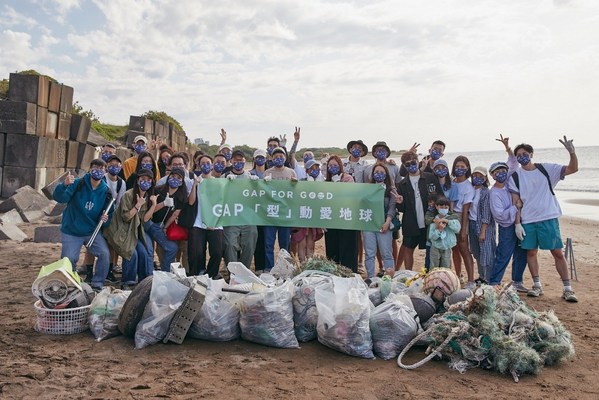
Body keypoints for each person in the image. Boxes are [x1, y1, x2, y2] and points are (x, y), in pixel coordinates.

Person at [508, 136, 579, 302]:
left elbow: (572, 169)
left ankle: (567, 289)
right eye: (518, 155)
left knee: (557, 252)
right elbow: (516, 203)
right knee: (531, 253)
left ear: (532, 154)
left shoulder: (546, 169)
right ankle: (537, 285)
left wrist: (572, 153)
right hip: (528, 220)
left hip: (548, 217)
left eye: (525, 153)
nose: (522, 156)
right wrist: (518, 224)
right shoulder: (515, 176)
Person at [53, 159, 114, 291]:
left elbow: (109, 214)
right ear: (90, 169)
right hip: (72, 230)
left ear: (105, 171)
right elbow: (59, 198)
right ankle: (70, 284)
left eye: (101, 169)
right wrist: (64, 185)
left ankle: (97, 284)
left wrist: (105, 219)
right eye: (95, 168)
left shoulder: (106, 191)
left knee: (104, 254)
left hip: (91, 231)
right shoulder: (78, 183)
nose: (98, 171)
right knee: (69, 259)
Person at [105, 169, 156, 290]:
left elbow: (145, 219)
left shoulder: (149, 197)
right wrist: (137, 205)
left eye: (148, 180)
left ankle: (144, 282)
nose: (145, 182)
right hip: (122, 231)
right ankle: (127, 281)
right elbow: (126, 217)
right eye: (142, 179)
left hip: (135, 232)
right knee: (131, 254)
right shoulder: (129, 195)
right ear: (137, 180)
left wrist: (153, 205)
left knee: (143, 253)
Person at [81, 154, 127, 284]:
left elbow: (119, 202)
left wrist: (113, 218)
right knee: (91, 245)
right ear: (106, 167)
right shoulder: (102, 178)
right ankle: (89, 272)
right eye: (111, 165)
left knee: (111, 244)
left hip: (111, 215)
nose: (114, 168)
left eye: (117, 165)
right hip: (96, 215)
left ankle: (109, 271)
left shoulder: (121, 183)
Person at [395, 151, 442, 271]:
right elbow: (401, 209)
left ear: (418, 161)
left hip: (430, 221)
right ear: (404, 166)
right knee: (408, 248)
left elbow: (440, 198)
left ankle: (432, 273)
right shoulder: (402, 184)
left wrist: (441, 217)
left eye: (413, 162)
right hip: (411, 222)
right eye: (408, 164)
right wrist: (399, 202)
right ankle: (409, 273)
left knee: (432, 249)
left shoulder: (430, 177)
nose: (411, 166)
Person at [488, 160, 529, 292]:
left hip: (521, 222)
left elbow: (513, 163)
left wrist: (508, 149)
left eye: (503, 171)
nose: (501, 174)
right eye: (497, 172)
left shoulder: (510, 185)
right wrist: (515, 207)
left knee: (521, 252)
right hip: (507, 226)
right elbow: (499, 215)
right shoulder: (494, 193)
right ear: (492, 175)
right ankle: (494, 281)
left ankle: (517, 281)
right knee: (503, 254)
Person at [187, 155, 224, 278]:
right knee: (196, 253)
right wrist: (194, 185)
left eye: (208, 163)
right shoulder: (196, 180)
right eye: (202, 163)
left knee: (217, 252)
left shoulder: (218, 182)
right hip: (198, 223)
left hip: (215, 223)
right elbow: (191, 202)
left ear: (212, 164)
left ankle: (211, 275)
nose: (205, 165)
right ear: (198, 165)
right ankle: (197, 275)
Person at [145, 167, 188, 273]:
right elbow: (149, 212)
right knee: (170, 248)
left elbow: (175, 214)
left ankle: (166, 271)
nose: (175, 179)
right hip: (150, 222)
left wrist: (165, 227)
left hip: (162, 225)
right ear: (168, 177)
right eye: (173, 176)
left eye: (178, 178)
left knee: (171, 247)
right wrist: (163, 203)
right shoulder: (158, 190)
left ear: (182, 182)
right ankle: (166, 272)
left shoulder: (181, 196)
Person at [262, 147, 297, 272]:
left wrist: (295, 184)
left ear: (285, 158)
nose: (278, 159)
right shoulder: (266, 173)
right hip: (270, 213)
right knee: (268, 243)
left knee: (285, 244)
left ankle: (285, 268)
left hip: (284, 214)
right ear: (271, 158)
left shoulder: (291, 172)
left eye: (281, 157)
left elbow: (295, 193)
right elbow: (262, 193)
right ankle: (269, 268)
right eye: (275, 157)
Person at [222, 150, 258, 269]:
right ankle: (233, 271)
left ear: (245, 161)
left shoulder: (250, 177)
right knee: (230, 244)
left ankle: (244, 270)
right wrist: (225, 182)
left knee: (250, 243)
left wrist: (259, 184)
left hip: (248, 217)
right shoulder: (225, 176)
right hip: (231, 217)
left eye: (241, 160)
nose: (238, 162)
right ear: (231, 161)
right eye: (236, 160)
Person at [323, 155, 359, 272]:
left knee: (348, 248)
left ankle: (349, 273)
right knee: (333, 249)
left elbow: (349, 195)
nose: (333, 167)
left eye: (335, 165)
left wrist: (338, 183)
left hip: (346, 218)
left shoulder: (348, 178)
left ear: (340, 166)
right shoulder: (325, 181)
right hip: (332, 220)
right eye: (330, 166)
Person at [363, 164, 396, 279]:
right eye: (376, 172)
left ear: (386, 174)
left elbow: (392, 207)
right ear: (372, 174)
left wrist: (387, 222)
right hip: (369, 225)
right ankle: (371, 278)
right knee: (369, 254)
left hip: (384, 225)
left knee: (386, 253)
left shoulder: (391, 189)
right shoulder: (367, 188)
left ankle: (389, 278)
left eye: (382, 172)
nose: (379, 174)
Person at [450, 155, 476, 289]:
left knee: (464, 248)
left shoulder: (468, 186)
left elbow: (466, 210)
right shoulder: (452, 182)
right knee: (454, 248)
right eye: (457, 166)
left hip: (461, 216)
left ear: (467, 168)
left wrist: (464, 230)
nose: (459, 169)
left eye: (462, 167)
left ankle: (471, 279)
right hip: (450, 216)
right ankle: (458, 275)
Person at [468, 166, 496, 284]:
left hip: (484, 226)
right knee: (476, 252)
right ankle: (481, 276)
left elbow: (486, 213)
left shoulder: (486, 192)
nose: (477, 178)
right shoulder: (470, 189)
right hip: (472, 223)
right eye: (475, 176)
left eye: (480, 176)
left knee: (487, 253)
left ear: (485, 178)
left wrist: (483, 231)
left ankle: (489, 278)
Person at [427, 195, 461, 269]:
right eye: (441, 207)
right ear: (436, 206)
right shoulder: (435, 220)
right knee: (434, 267)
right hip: (435, 247)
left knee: (446, 267)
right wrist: (439, 230)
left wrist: (447, 221)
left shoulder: (452, 218)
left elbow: (457, 229)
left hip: (447, 247)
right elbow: (431, 236)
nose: (444, 209)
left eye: (446, 207)